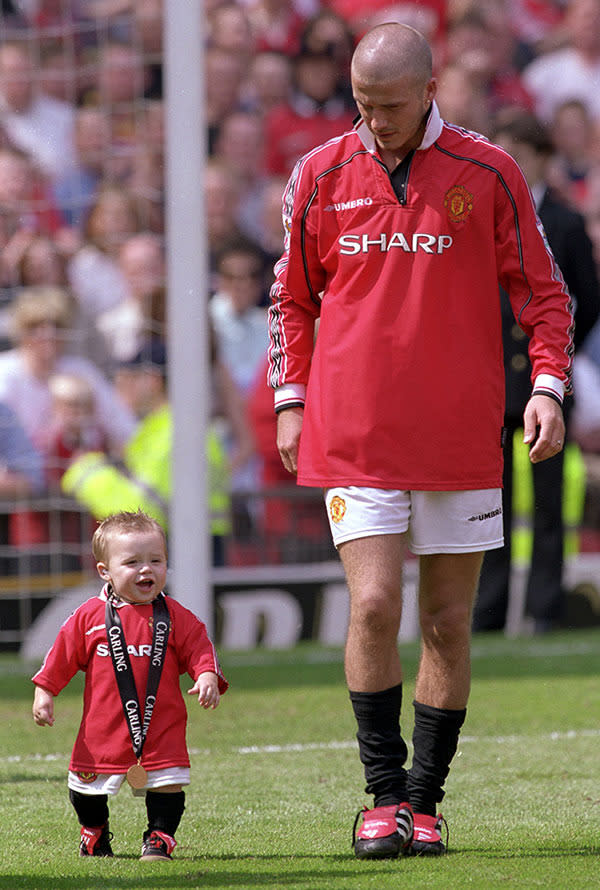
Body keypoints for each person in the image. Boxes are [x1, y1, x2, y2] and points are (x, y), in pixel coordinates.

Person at [267, 22, 573, 859]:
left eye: (391, 106)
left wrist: (547, 386)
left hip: (460, 436)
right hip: (354, 432)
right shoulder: (320, 172)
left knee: (445, 621)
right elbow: (289, 299)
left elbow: (547, 295)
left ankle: (427, 803)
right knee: (372, 604)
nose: (376, 120)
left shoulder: (491, 171)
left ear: (430, 90)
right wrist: (290, 398)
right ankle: (381, 798)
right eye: (363, 105)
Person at [31, 509, 228, 861]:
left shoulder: (177, 617)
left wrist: (206, 675)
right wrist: (45, 692)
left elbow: (200, 648)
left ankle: (160, 836)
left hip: (161, 727)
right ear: (105, 571)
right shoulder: (88, 617)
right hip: (101, 731)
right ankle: (94, 831)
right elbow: (59, 657)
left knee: (168, 783)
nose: (146, 569)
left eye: (156, 560)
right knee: (85, 791)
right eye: (133, 562)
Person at [473, 111, 600, 633]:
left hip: (545, 381)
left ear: (544, 160)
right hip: (492, 378)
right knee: (488, 502)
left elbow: (585, 300)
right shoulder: (483, 217)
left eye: (523, 156)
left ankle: (545, 607)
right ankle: (489, 608)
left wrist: (554, 353)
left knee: (549, 500)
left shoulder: (565, 223)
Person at [61, 339, 232, 566]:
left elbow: (142, 515)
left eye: (128, 376)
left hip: (181, 555)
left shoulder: (173, 433)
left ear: (152, 381)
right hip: (188, 549)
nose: (119, 384)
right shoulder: (170, 427)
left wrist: (87, 472)